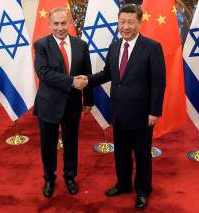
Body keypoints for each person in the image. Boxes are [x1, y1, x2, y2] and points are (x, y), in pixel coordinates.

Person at [82, 4, 166, 209]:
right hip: (118, 111)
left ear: (139, 22)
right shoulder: (115, 46)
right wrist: (87, 80)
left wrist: (154, 111)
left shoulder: (152, 47)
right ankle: (123, 184)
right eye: (122, 22)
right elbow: (107, 74)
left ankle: (143, 190)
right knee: (121, 152)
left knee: (142, 154)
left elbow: (158, 82)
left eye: (130, 22)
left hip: (142, 114)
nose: (125, 26)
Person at [33, 8, 93, 198]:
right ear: (50, 24)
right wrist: (71, 82)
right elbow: (44, 73)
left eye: (63, 23)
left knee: (71, 143)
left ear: (70, 23)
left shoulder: (81, 45)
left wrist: (88, 100)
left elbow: (87, 75)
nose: (60, 27)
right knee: (48, 145)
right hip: (48, 104)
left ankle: (70, 177)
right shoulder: (41, 45)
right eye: (56, 24)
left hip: (72, 104)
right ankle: (49, 178)